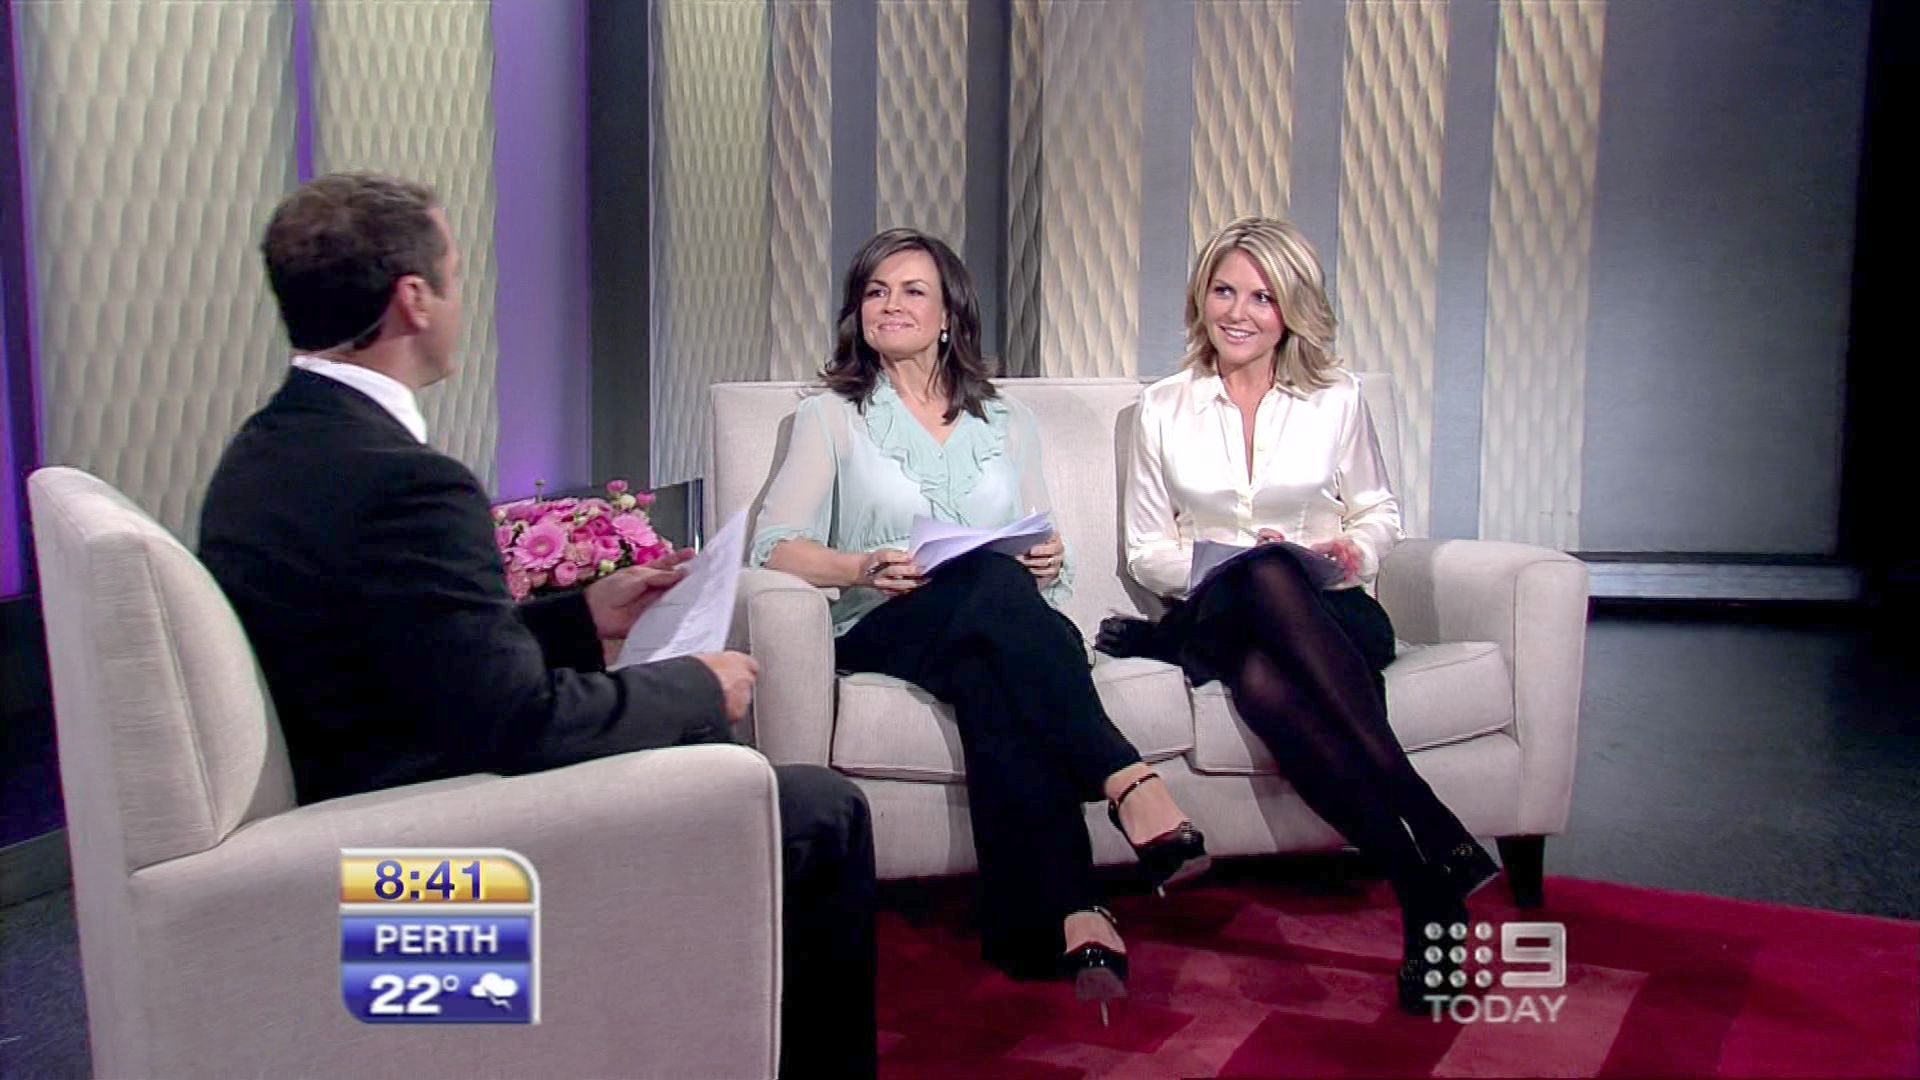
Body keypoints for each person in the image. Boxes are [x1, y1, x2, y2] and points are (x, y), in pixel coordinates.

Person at [199, 172, 876, 1077]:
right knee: (820, 811)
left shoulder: (268, 451)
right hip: (419, 862)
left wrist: (582, 617)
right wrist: (696, 684)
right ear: (414, 300)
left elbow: (409, 651)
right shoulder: (406, 482)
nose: (463, 299)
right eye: (456, 275)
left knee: (725, 770)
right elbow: (521, 723)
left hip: (350, 804)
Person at [751, 228, 1209, 1017]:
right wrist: (861, 566)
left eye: (912, 291)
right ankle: (1126, 779)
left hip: (992, 623)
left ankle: (1055, 917)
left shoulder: (1007, 421)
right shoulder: (830, 417)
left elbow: (1041, 539)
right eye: (875, 292)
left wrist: (1049, 557)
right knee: (995, 596)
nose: (890, 305)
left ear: (949, 316)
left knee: (992, 669)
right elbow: (774, 546)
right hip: (885, 620)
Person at [1113, 216, 1500, 1014]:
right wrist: (1240, 561)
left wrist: (1350, 551)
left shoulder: (1336, 398)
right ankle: (1430, 827)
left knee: (1265, 677)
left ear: (1291, 309)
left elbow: (1378, 511)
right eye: (1224, 291)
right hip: (1220, 606)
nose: (1239, 313)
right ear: (1201, 297)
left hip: (1331, 612)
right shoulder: (1162, 407)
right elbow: (1147, 550)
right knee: (1261, 570)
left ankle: (1421, 882)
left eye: (1262, 297)